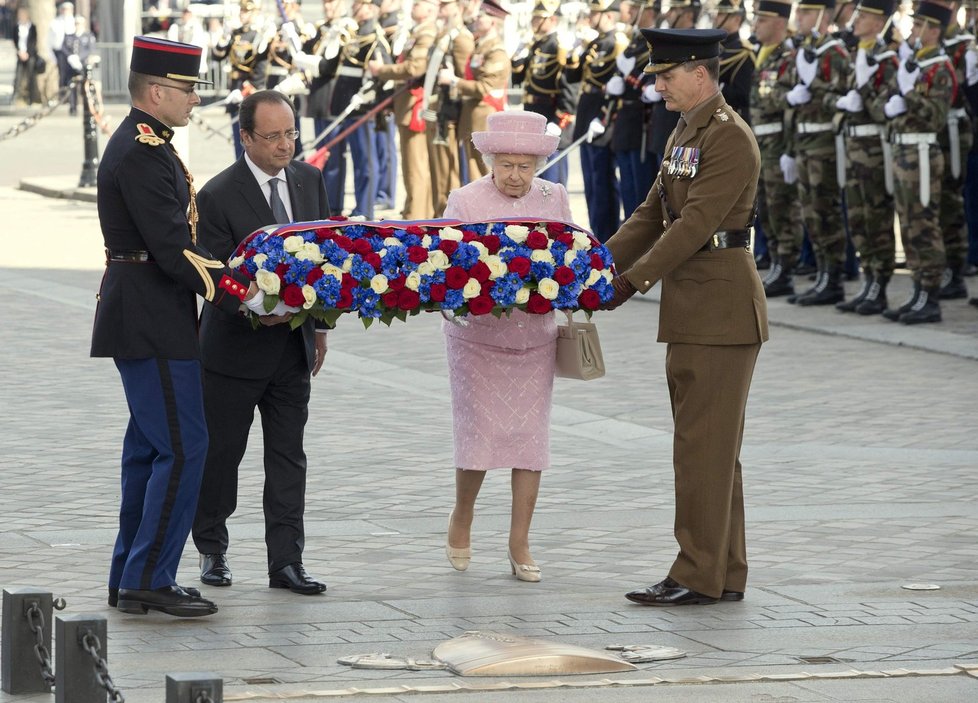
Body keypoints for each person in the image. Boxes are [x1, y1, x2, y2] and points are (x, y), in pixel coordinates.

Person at [91, 36, 272, 618]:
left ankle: (132, 572)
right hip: (150, 315)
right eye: (188, 90)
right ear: (156, 91)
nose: (195, 100)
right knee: (184, 445)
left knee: (149, 450)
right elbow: (173, 247)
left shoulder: (147, 143)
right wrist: (243, 291)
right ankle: (150, 576)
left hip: (149, 311)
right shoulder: (143, 151)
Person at [600, 28, 768, 605]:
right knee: (710, 450)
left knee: (703, 447)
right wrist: (593, 265)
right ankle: (723, 572)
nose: (659, 85)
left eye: (667, 76)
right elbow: (651, 213)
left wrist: (631, 281)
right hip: (697, 308)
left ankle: (695, 574)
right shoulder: (686, 129)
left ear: (700, 73)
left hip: (721, 309)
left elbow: (695, 225)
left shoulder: (728, 138)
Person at [192, 91, 331, 596]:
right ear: (244, 137)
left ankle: (286, 562)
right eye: (271, 136)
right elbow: (213, 274)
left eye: (290, 133)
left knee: (289, 457)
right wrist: (255, 306)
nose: (284, 145)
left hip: (292, 348)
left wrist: (319, 328)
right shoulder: (216, 194)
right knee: (221, 455)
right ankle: (211, 547)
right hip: (232, 351)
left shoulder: (310, 180)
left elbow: (326, 259)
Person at [442, 111, 572, 583]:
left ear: (539, 162)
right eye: (507, 165)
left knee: (529, 442)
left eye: (526, 165)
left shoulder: (553, 196)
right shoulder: (466, 200)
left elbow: (571, 258)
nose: (517, 176)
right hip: (477, 339)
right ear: (491, 160)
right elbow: (442, 270)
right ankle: (463, 515)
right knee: (479, 437)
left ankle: (520, 541)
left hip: (534, 336)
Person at [879, 1, 956, 323]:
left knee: (924, 225)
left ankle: (931, 294)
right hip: (903, 152)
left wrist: (908, 96)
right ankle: (917, 288)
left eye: (919, 25)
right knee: (909, 226)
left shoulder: (940, 68)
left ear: (934, 30)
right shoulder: (917, 64)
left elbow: (936, 117)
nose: (913, 30)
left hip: (923, 154)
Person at [833, 0, 898, 315]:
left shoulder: (887, 59)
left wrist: (864, 93)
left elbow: (886, 112)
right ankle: (868, 278)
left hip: (873, 150)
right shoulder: (854, 54)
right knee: (857, 218)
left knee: (876, 218)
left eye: (863, 16)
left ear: (879, 21)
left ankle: (880, 285)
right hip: (852, 147)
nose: (855, 21)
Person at [751, 0, 805, 297]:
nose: (756, 24)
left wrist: (791, 150)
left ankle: (786, 265)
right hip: (761, 145)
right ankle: (775, 260)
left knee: (784, 208)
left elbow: (793, 108)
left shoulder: (790, 57)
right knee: (766, 209)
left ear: (780, 24)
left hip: (779, 145)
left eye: (762, 19)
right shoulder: (762, 54)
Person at [368, 0, 439, 219]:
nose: (414, 6)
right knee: (412, 167)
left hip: (415, 105)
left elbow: (414, 68)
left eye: (419, 3)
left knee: (416, 168)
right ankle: (414, 209)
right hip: (407, 105)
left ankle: (417, 215)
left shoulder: (427, 32)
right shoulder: (417, 31)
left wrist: (383, 70)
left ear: (431, 8)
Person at [443, 0, 510, 183]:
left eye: (482, 17)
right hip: (472, 117)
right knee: (473, 175)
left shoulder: (496, 51)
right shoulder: (480, 47)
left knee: (485, 174)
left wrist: (454, 81)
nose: (477, 19)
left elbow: (483, 88)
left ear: (493, 22)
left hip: (485, 117)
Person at [12, 6, 41, 107]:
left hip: (30, 55)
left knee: (31, 77)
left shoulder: (32, 27)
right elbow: (15, 40)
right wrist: (19, 52)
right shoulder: (16, 27)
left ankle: (32, 99)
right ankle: (15, 98)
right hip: (20, 54)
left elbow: (33, 41)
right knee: (18, 77)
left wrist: (28, 52)